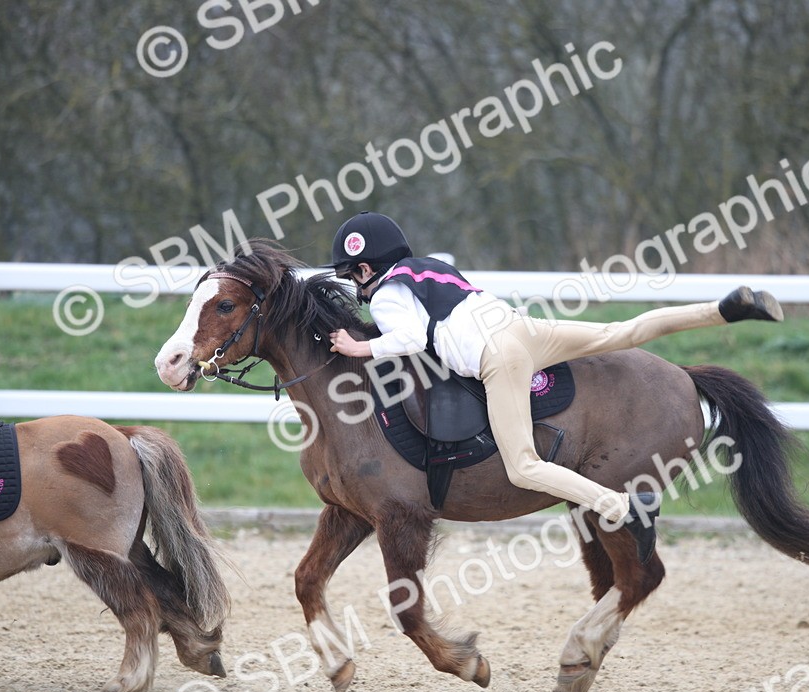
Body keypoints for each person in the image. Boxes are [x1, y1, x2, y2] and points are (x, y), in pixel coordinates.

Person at [324, 211, 782, 539]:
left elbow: (409, 338)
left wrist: (357, 346)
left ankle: (621, 505)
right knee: (623, 331)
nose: (356, 288)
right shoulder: (428, 268)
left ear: (365, 267)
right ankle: (723, 310)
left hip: (498, 357)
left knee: (524, 467)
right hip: (523, 328)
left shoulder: (386, 294)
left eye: (352, 276)